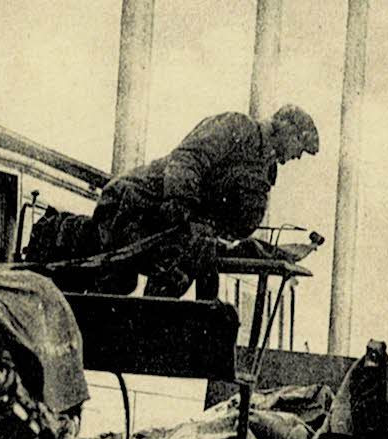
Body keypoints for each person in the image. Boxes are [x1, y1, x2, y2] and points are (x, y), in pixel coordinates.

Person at [89, 105, 320, 296]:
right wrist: (184, 209)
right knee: (118, 286)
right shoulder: (237, 126)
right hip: (133, 204)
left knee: (195, 269)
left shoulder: (264, 168)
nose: (298, 156)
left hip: (173, 222)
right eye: (300, 145)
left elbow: (236, 220)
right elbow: (188, 160)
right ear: (285, 128)